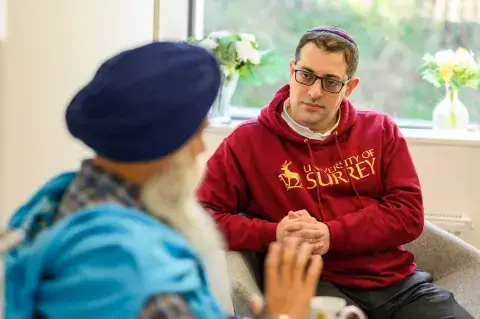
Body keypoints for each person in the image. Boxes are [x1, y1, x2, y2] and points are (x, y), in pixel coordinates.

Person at [4, 42, 323, 319]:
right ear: (160, 145)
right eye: (197, 134)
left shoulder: (65, 194)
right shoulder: (131, 271)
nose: (201, 149)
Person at [197, 26, 473, 319]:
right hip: (308, 282)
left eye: (330, 82)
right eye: (305, 75)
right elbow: (203, 215)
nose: (314, 92)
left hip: (396, 283)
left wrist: (332, 234)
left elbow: (409, 215)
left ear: (349, 87)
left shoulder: (380, 130)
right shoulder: (247, 141)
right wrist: (273, 232)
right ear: (292, 71)